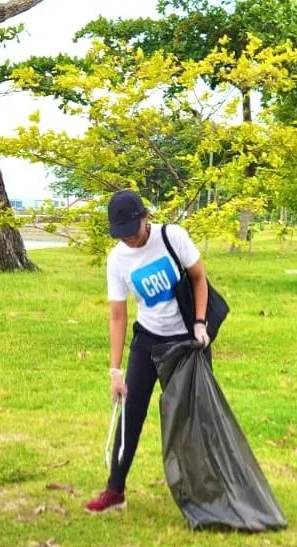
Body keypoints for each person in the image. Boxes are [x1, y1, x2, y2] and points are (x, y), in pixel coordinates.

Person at [86, 190, 211, 513]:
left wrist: (200, 323)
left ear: (145, 218)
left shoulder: (173, 237)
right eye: (121, 234)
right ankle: (115, 491)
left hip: (185, 342)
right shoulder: (117, 259)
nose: (128, 239)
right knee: (131, 415)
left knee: (188, 418)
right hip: (147, 342)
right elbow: (118, 314)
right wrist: (115, 370)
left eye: (133, 230)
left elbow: (199, 279)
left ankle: (201, 492)